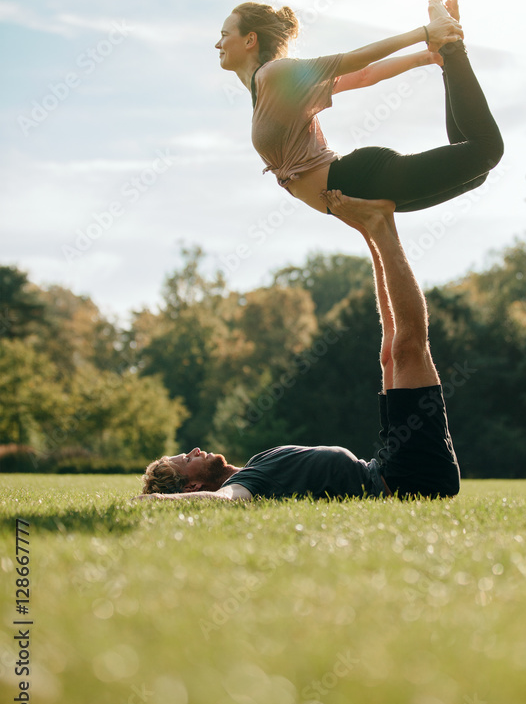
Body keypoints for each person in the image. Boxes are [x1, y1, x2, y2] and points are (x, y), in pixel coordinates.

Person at [137, 191, 460, 502]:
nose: (195, 450)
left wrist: (366, 236)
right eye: (186, 460)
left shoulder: (255, 464)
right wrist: (153, 501)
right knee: (408, 346)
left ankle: (376, 229)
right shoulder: (246, 483)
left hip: (389, 463)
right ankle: (378, 226)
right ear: (192, 485)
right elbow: (224, 500)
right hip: (409, 478)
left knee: (390, 353)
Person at [215, 0, 504, 216]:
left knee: (487, 150)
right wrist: (426, 57)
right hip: (358, 197)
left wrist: (427, 33)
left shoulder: (276, 73)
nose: (218, 44)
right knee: (476, 171)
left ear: (250, 39)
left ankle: (452, 46)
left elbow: (355, 60)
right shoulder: (273, 90)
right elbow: (366, 76)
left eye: (225, 35)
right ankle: (448, 49)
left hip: (359, 179)